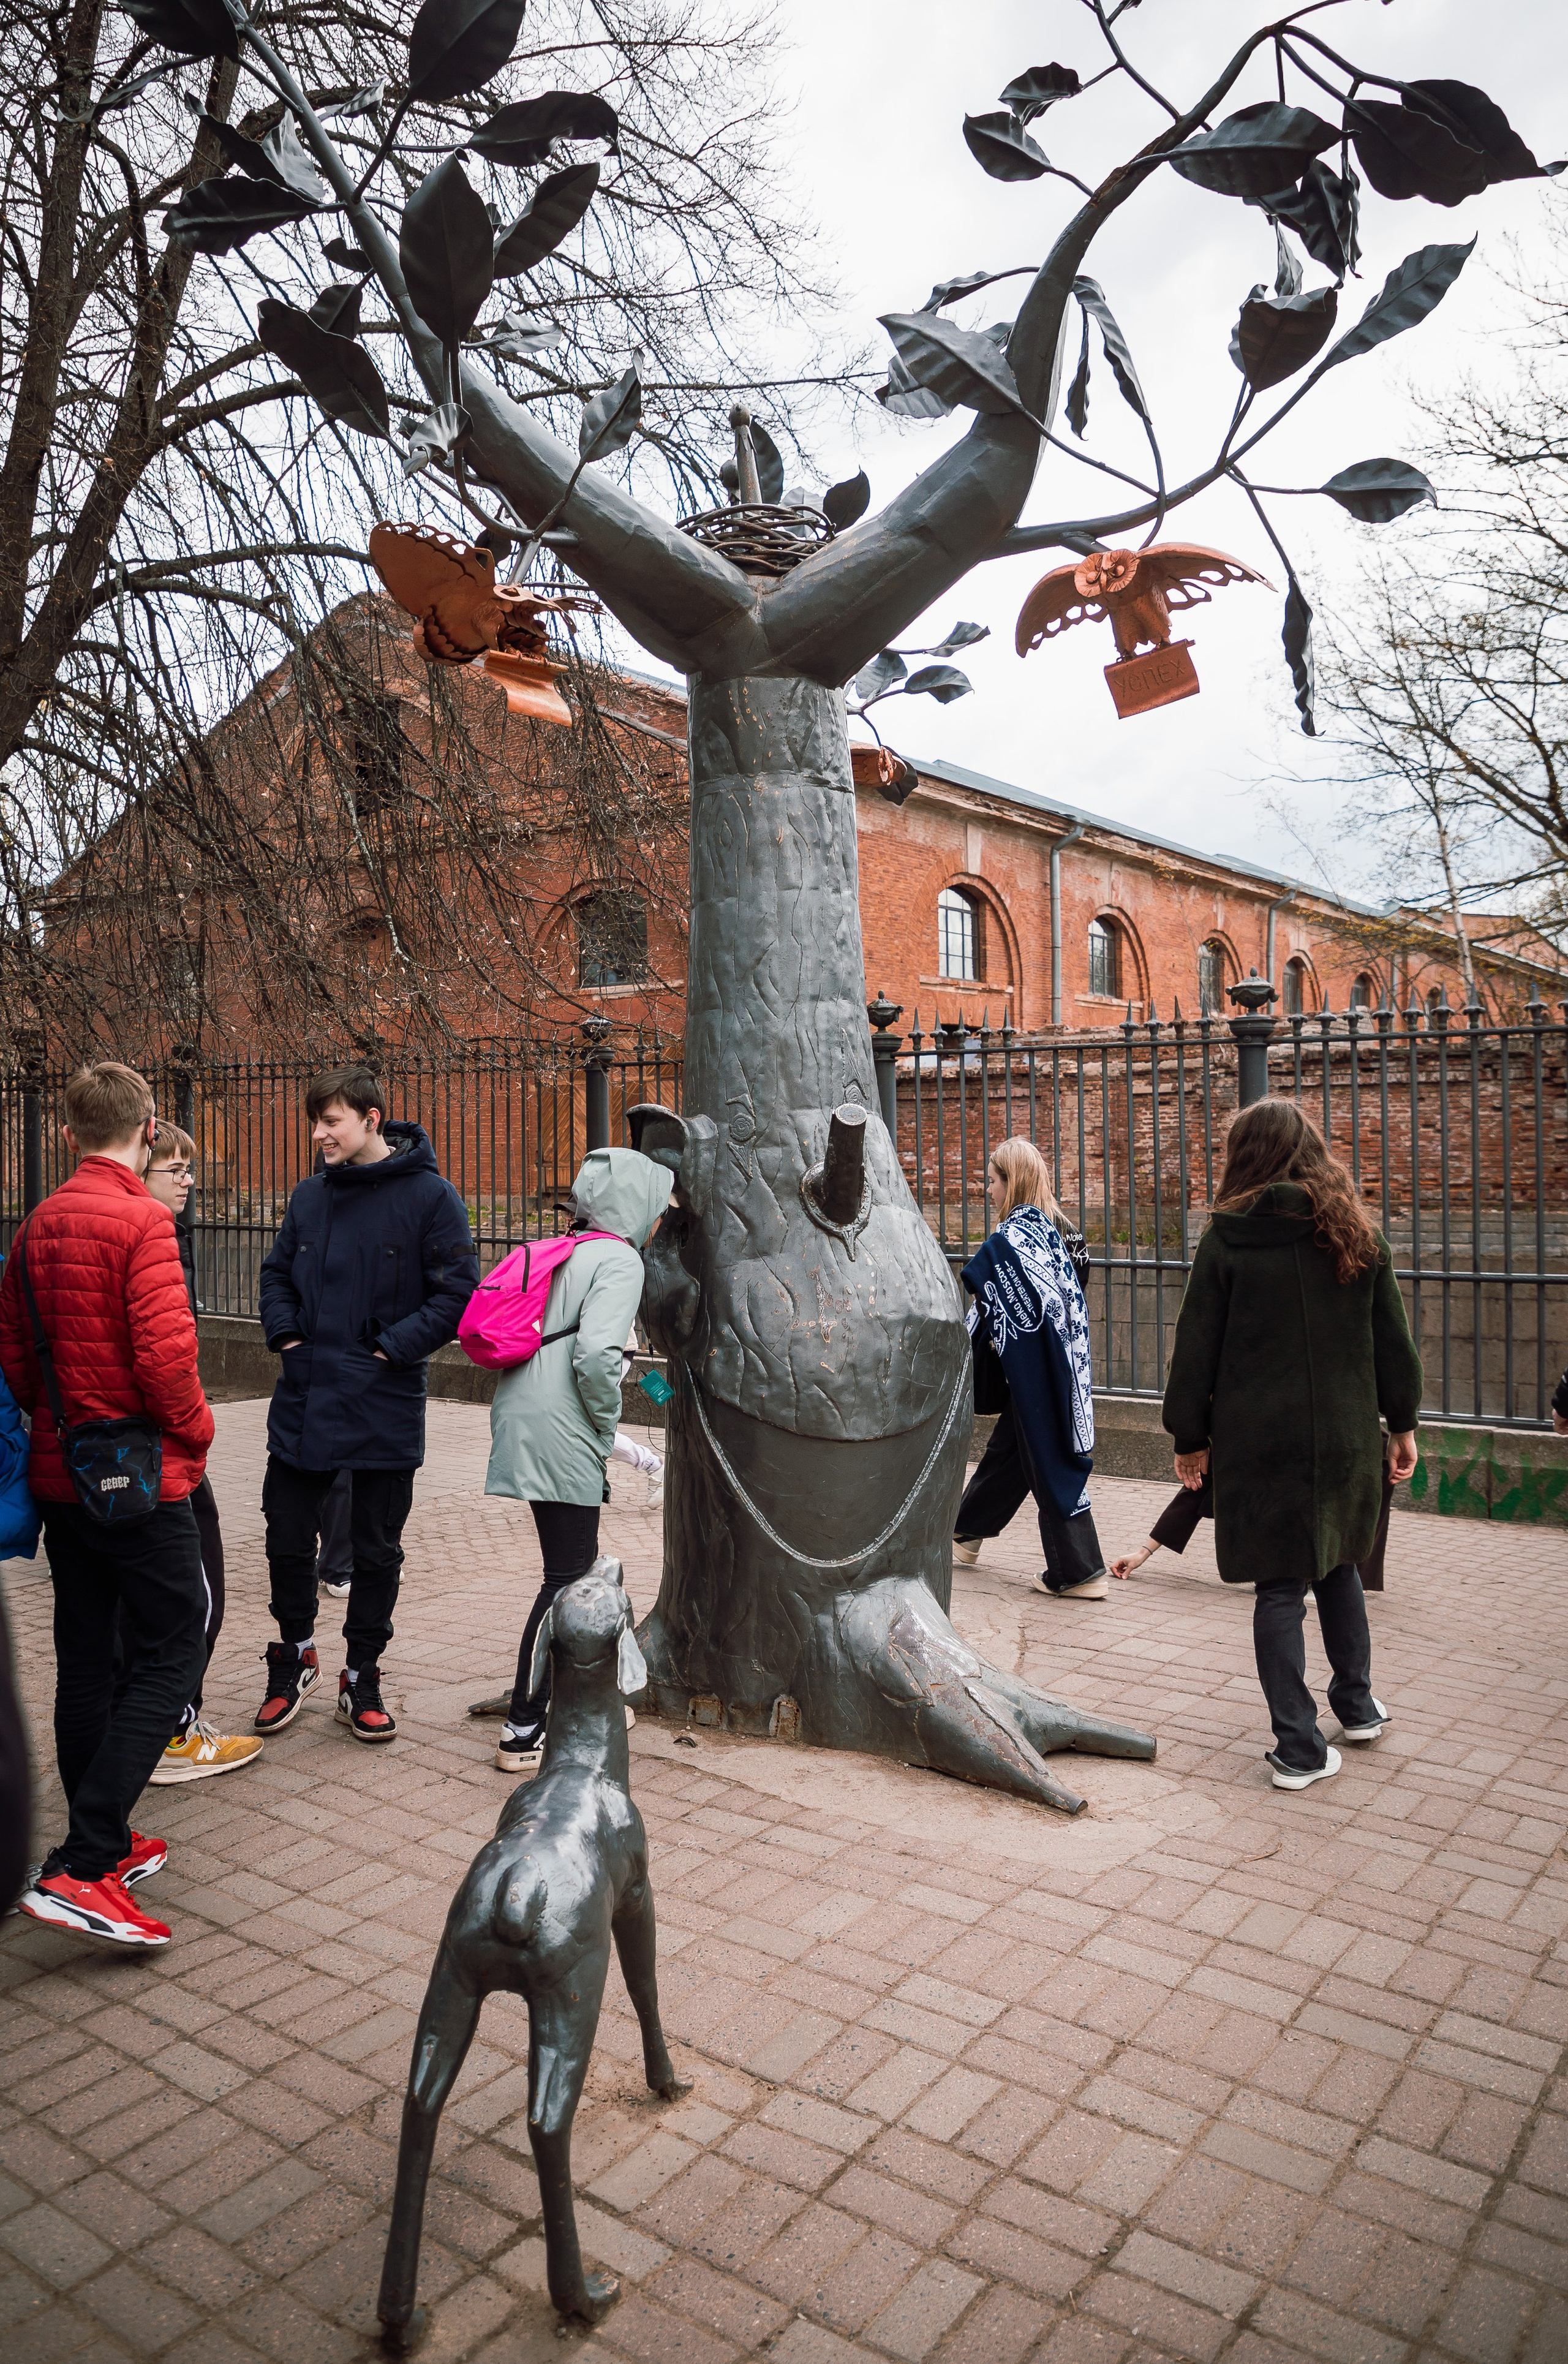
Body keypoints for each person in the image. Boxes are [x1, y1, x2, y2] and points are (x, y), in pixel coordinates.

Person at [0, 1062, 214, 1947]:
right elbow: (168, 1363)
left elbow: (14, 1354)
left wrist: (57, 1426)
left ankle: (101, 1843)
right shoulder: (143, 1220)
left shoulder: (35, 1224)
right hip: (141, 1471)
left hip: (63, 1473)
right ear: (150, 1126)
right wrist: (196, 1432)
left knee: (85, 1654)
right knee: (174, 1640)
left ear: (66, 1133)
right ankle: (86, 1862)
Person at [1162, 1098, 1422, 1793]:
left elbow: (1195, 1347)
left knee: (1279, 1586)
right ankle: (1357, 1707)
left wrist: (1190, 1436)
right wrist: (1401, 1423)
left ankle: (1299, 1748)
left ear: (1245, 1156)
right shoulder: (1354, 1231)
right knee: (1339, 1559)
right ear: (1310, 1150)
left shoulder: (1226, 1238)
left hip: (1259, 1440)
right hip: (1341, 1435)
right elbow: (1391, 1341)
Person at [255, 1066, 478, 1745]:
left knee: (377, 1552)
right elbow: (274, 1272)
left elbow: (456, 1294)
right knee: (287, 1540)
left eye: (332, 1121)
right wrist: (288, 1338)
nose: (319, 1133)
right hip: (302, 1400)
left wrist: (385, 1352)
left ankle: (362, 1672)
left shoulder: (432, 1198)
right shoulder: (308, 1196)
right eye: (316, 1121)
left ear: (372, 1120)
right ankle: (294, 1654)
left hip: (382, 1405)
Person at [485, 1147, 672, 1775]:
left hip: (525, 1408)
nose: (659, 1221)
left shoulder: (569, 1248)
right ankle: (523, 1725)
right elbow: (596, 1358)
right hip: (563, 1419)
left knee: (579, 1568)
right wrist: (603, 1423)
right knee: (567, 1578)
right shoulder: (620, 1258)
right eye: (657, 1205)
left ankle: (588, 1698)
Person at [132, 1123, 264, 1786]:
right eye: (173, 1168)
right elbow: (165, 1366)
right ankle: (174, 1730)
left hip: (99, 1455)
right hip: (162, 1453)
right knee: (195, 1596)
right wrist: (200, 1428)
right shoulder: (148, 1239)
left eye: (189, 1167)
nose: (189, 1179)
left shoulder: (56, 1222)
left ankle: (143, 1727)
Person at [953, 1136, 1109, 1603]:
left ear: (1012, 1181)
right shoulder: (1049, 1232)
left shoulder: (1010, 1240)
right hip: (1060, 1362)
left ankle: (1080, 1569)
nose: (988, 1191)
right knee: (1017, 1446)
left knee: (1044, 1450)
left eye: (994, 1180)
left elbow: (985, 1292)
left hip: (1034, 1368)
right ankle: (966, 1531)